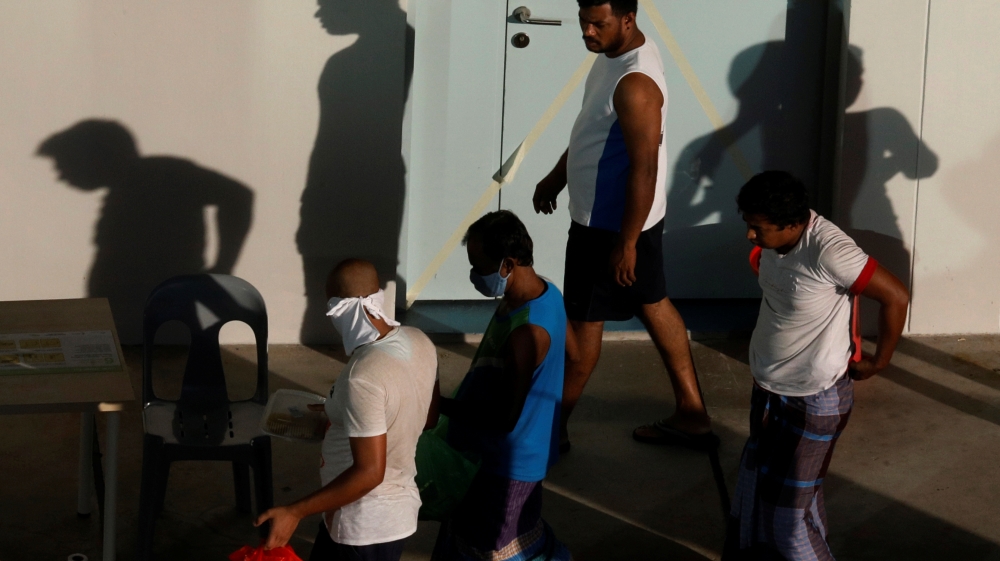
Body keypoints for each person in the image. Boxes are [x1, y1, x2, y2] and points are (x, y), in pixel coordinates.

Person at [532, 0, 714, 450]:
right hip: (627, 220)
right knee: (654, 302)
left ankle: (549, 434)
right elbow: (592, 132)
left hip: (607, 226)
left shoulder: (635, 83)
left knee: (581, 327)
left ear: (628, 19)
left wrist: (627, 242)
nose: (588, 32)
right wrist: (557, 178)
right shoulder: (615, 55)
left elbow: (644, 168)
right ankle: (693, 414)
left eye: (599, 24)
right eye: (584, 22)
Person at [725, 171, 909, 560]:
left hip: (814, 400)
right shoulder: (774, 246)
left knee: (786, 520)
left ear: (793, 224)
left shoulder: (831, 251)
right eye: (748, 225)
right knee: (761, 491)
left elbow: (895, 297)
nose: (750, 236)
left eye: (758, 228)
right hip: (770, 390)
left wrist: (880, 361)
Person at [256, 259, 439, 561]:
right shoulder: (420, 341)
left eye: (332, 308)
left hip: (362, 524)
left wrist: (293, 511)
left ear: (345, 308)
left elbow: (369, 474)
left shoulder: (363, 375)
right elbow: (427, 417)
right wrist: (340, 414)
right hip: (396, 516)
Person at [432, 211, 571, 561]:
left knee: (494, 546)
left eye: (480, 268)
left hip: (505, 465)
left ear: (508, 264)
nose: (475, 277)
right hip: (520, 452)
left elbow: (504, 417)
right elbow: (578, 355)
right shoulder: (548, 294)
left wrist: (439, 405)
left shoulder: (525, 334)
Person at [37, 119, 253, 343]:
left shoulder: (161, 175)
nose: (61, 175)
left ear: (95, 156)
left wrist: (223, 267)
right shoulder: (142, 181)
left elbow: (238, 196)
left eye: (65, 163)